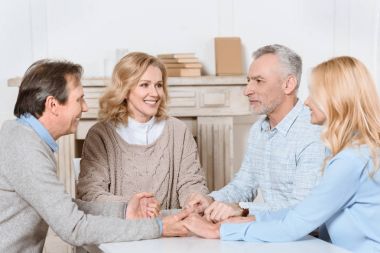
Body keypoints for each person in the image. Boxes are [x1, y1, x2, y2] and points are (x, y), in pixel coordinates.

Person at [183, 56, 380, 253]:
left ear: (338, 99)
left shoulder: (350, 159)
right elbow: (298, 210)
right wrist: (219, 204)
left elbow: (297, 221)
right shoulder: (344, 151)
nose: (307, 102)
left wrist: (220, 230)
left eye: (314, 94)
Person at [0, 59, 191, 253]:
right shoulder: (25, 148)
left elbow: (63, 208)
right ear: (53, 105)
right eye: (79, 99)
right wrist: (158, 228)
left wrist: (125, 211)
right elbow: (74, 227)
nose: (85, 108)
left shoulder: (23, 137)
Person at [185, 44, 325, 222]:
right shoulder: (258, 130)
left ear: (288, 84)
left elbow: (302, 207)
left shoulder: (312, 133)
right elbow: (244, 185)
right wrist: (211, 200)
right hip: (272, 233)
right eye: (248, 80)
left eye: (259, 81)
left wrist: (242, 209)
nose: (247, 90)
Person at [77, 52, 208, 209]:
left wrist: (194, 199)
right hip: (121, 229)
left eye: (158, 85)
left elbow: (192, 182)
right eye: (144, 84)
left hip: (172, 230)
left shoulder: (178, 131)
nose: (155, 93)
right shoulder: (100, 135)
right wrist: (134, 207)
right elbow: (90, 194)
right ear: (125, 90)